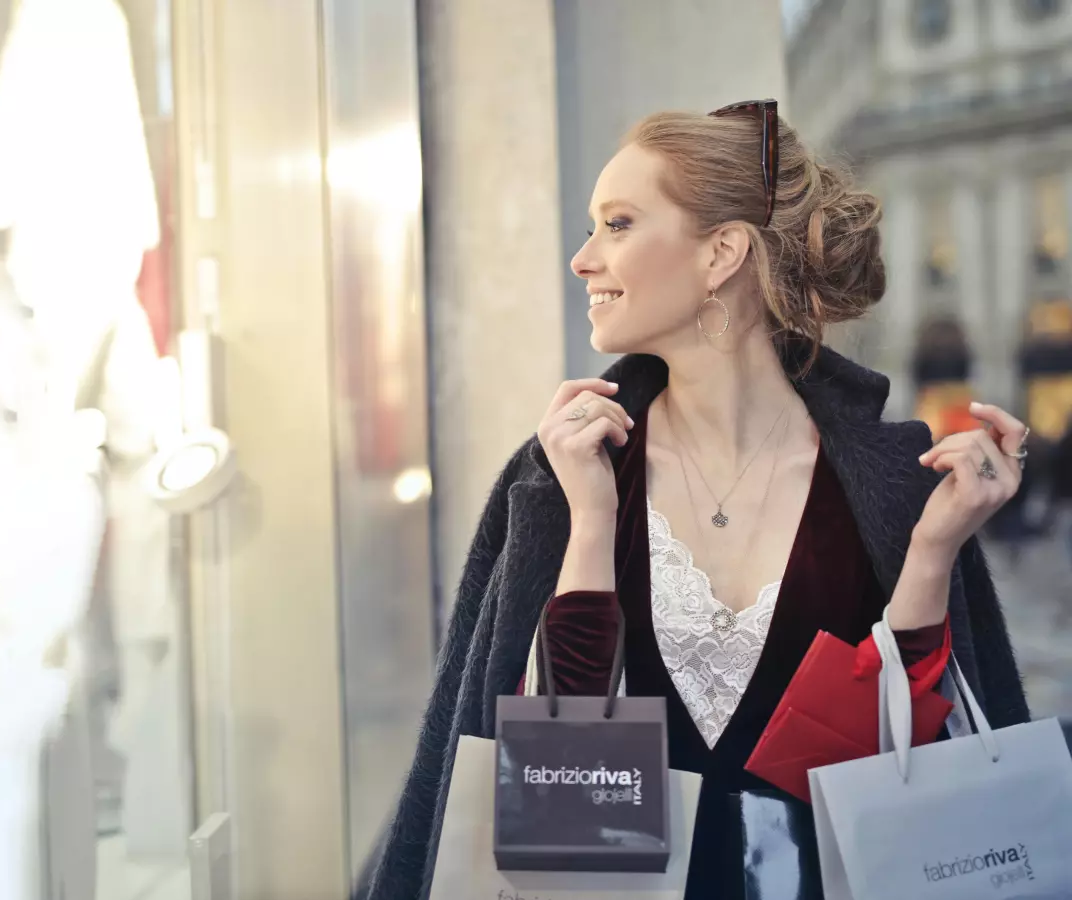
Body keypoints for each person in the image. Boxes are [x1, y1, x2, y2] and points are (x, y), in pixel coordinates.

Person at [362, 100, 1030, 900]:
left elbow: (905, 757)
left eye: (617, 223)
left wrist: (931, 552)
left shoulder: (891, 480)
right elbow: (553, 782)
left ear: (722, 253)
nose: (583, 259)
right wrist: (590, 523)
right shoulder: (564, 475)